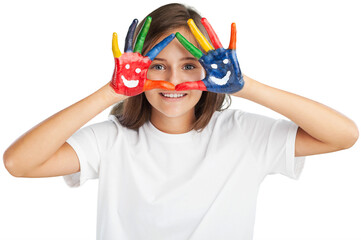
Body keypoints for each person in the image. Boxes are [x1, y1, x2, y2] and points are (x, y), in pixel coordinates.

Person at [3, 3, 358, 240]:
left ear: (212, 69)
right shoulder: (111, 140)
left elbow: (343, 135)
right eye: (158, 65)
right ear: (139, 70)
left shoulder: (245, 134)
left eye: (189, 65)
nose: (173, 80)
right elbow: (18, 163)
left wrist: (248, 86)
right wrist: (111, 93)